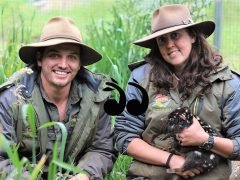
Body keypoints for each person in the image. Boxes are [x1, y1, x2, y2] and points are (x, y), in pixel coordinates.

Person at [114, 4, 240, 180]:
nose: (169, 45)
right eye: (162, 39)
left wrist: (204, 139)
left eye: (175, 35)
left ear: (193, 36)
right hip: (151, 175)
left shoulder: (227, 83)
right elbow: (124, 135)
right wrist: (172, 160)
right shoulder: (141, 78)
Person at [0, 16, 116, 179]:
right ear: (40, 59)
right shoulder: (11, 98)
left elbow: (103, 149)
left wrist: (85, 175)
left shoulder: (97, 96)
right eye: (54, 55)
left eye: (72, 57)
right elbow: (2, 159)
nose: (63, 64)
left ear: (79, 63)